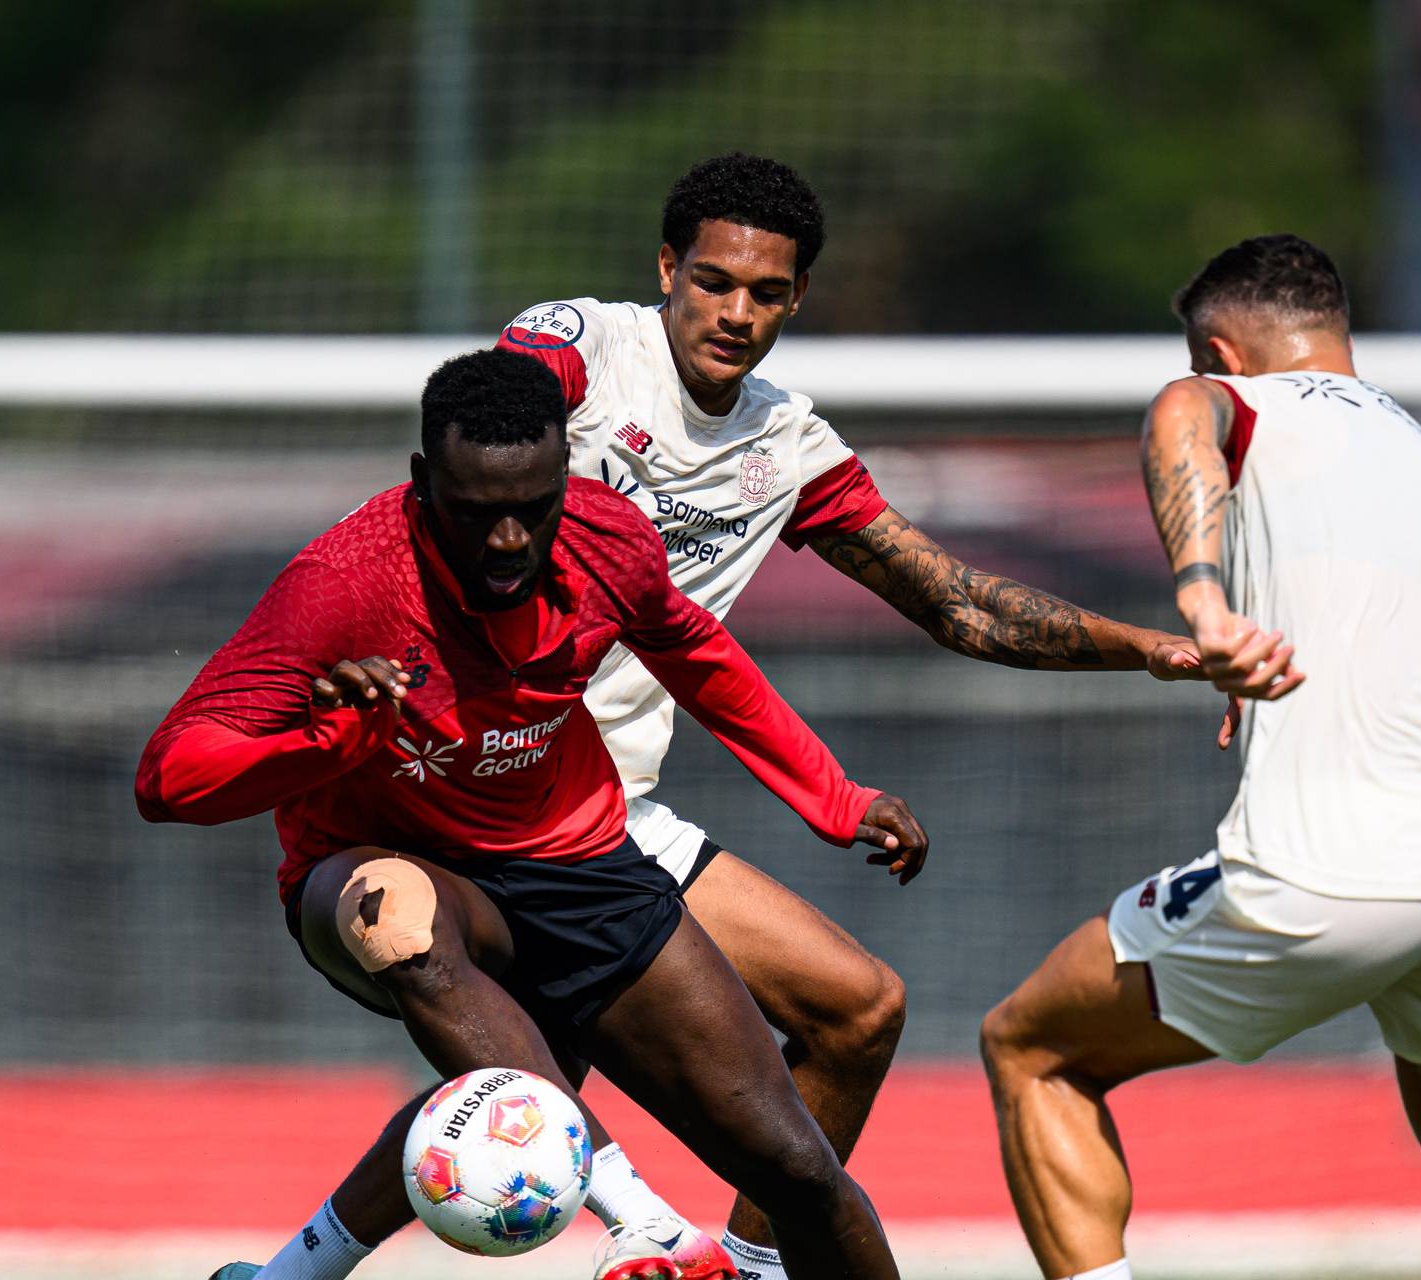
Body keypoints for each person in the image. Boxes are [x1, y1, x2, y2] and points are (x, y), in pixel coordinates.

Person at [249, 151, 1209, 1280]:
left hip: (609, 814)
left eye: (766, 292)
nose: (736, 312)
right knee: (523, 1056)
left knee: (854, 1008)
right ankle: (625, 1234)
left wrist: (1151, 649)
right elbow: (498, 420)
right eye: (713, 282)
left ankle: (737, 1268)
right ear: (667, 268)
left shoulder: (789, 450)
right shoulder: (580, 351)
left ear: (797, 297)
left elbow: (954, 601)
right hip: (457, 797)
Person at [977, 234, 1421, 1280]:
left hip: (1327, 874)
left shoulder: (1236, 404)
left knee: (1031, 1046)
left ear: (1221, 353)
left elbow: (1179, 416)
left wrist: (1204, 599)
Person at [142, 349, 925, 1280]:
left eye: (534, 507)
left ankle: (290, 1273)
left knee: (797, 1171)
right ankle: (650, 1225)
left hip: (578, 866)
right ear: (423, 485)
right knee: (403, 921)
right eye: (478, 514)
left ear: (565, 475)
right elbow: (169, 779)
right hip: (382, 868)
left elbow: (699, 655)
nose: (510, 540)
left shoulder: (608, 537)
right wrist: (325, 745)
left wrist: (835, 798)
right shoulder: (344, 584)